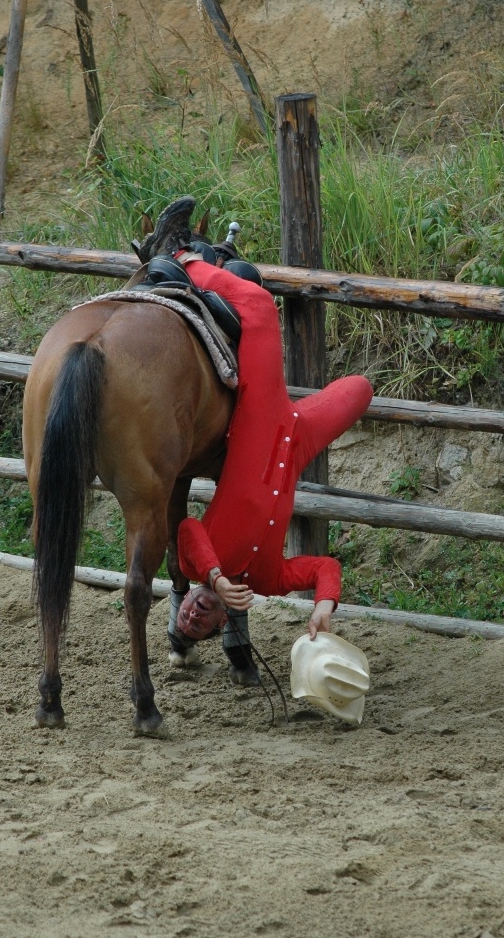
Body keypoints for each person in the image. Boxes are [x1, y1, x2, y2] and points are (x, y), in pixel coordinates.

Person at [142, 196, 374, 683]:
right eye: (201, 622)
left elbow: (186, 531)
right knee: (359, 390)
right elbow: (322, 567)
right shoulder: (268, 581)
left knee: (260, 306)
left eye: (189, 615)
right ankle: (188, 258)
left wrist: (216, 580)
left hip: (262, 416)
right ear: (225, 621)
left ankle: (181, 258)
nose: (194, 614)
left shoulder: (198, 560)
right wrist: (324, 606)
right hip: (299, 440)